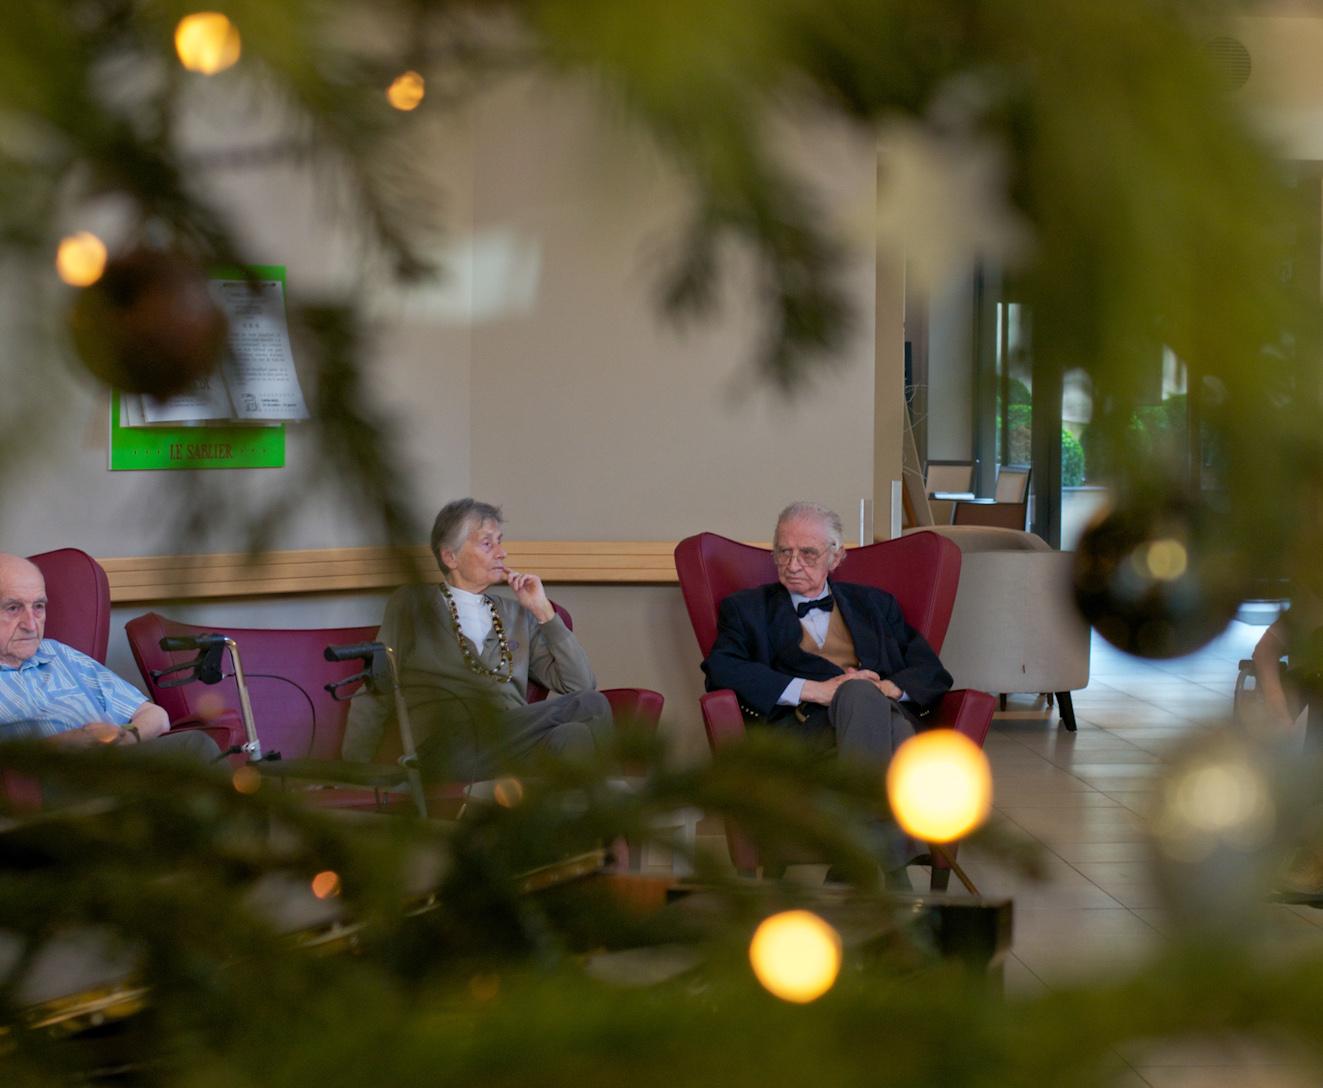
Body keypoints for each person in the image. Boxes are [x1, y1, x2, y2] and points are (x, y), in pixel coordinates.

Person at [701, 501, 953, 879]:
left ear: (836, 557)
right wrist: (811, 690)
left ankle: (858, 862)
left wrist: (886, 688)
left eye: (807, 553)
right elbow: (722, 668)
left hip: (872, 717)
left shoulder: (876, 605)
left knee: (864, 697)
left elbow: (931, 671)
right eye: (783, 552)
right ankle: (885, 867)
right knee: (895, 728)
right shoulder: (747, 609)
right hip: (805, 731)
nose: (793, 564)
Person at [342, 499, 612, 778]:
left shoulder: (518, 615)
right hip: (444, 750)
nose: (502, 553)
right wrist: (353, 772)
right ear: (450, 557)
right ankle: (614, 798)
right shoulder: (412, 605)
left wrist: (543, 612)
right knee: (591, 705)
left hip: (508, 744)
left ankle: (571, 807)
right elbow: (376, 690)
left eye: (500, 541)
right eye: (487, 543)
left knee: (573, 736)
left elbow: (580, 684)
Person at [0, 552, 217, 760]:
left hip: (113, 764)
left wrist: (127, 737)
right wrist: (58, 746)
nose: (31, 625)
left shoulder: (59, 654)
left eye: (38, 606)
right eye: (13, 608)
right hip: (45, 776)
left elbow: (155, 717)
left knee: (194, 745)